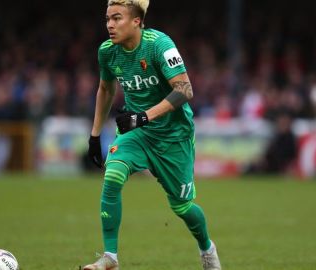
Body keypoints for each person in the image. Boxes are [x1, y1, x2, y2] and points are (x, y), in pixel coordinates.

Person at [84, 0, 222, 269]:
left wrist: (144, 116)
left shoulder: (160, 45)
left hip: (174, 136)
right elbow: (105, 88)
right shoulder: (107, 52)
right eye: (107, 19)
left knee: (182, 207)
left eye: (117, 18)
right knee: (112, 175)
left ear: (136, 21)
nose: (110, 25)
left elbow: (185, 89)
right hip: (139, 133)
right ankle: (110, 257)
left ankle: (206, 248)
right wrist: (94, 135)